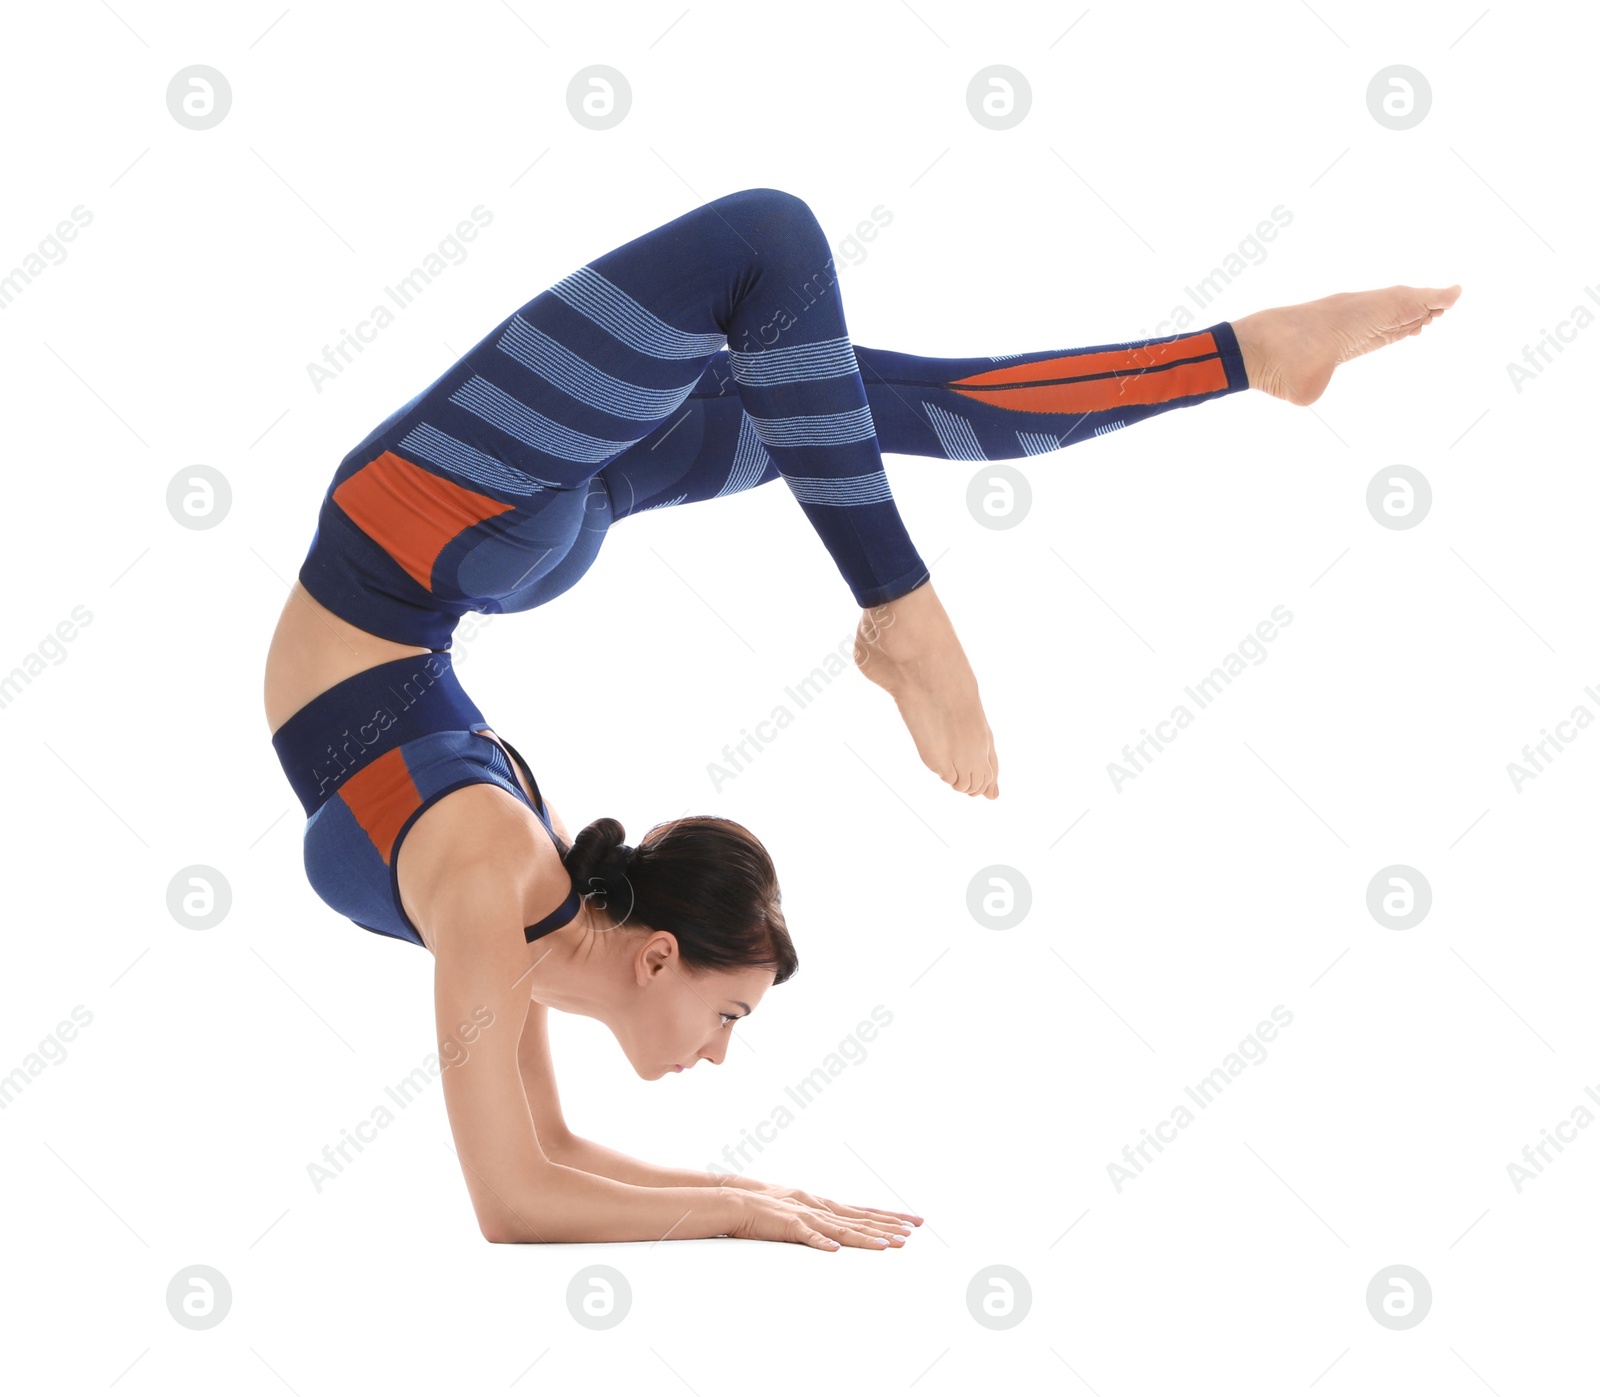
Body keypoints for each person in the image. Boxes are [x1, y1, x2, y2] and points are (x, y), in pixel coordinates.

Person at [264, 187, 1459, 1246]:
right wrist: (751, 1199)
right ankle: (1248, 354)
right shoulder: (537, 908)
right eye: (735, 1019)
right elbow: (543, 1164)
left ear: (660, 955)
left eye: (726, 1014)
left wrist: (736, 1205)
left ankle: (914, 606)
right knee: (843, 393)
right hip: (487, 550)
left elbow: (515, 1199)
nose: (720, 1047)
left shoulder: (487, 877)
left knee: (768, 247)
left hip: (414, 527)